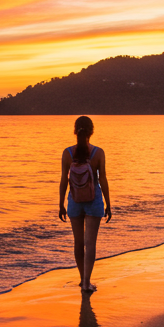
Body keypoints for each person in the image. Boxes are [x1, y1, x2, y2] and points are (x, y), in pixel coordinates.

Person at [58, 115, 110, 292]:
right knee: (91, 244)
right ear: (92, 131)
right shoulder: (98, 153)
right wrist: (108, 204)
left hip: (74, 200)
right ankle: (87, 283)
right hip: (93, 200)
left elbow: (64, 181)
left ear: (75, 131)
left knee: (78, 243)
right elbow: (102, 179)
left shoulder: (68, 153)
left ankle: (82, 279)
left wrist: (60, 204)